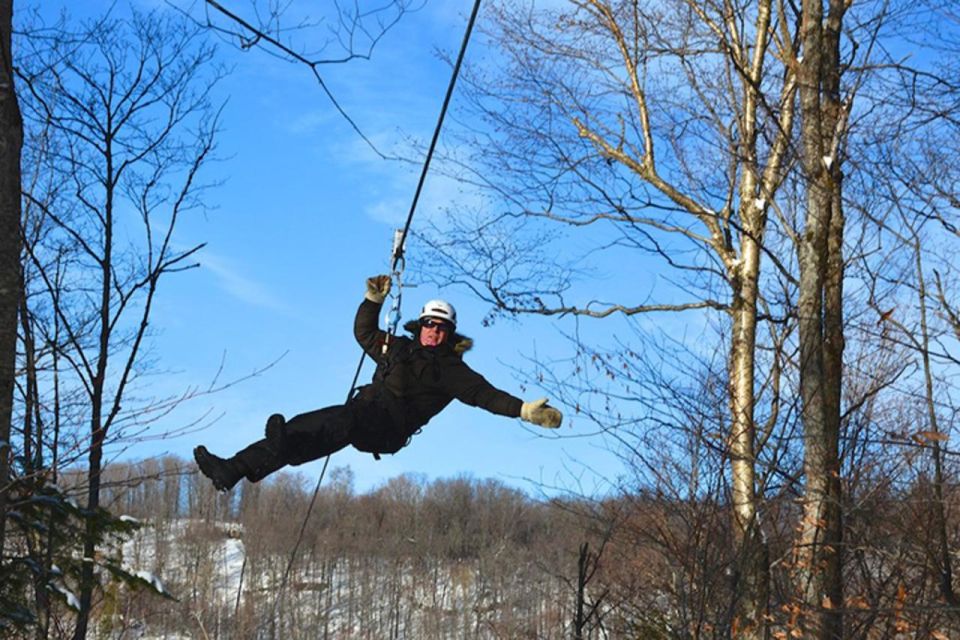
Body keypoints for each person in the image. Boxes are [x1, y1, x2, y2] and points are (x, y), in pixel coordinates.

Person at [193, 275, 563, 491]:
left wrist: (523, 410)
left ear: (449, 334)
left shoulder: (451, 371)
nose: (433, 332)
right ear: (420, 328)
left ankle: (282, 446)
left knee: (339, 423)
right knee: (319, 426)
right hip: (362, 412)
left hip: (389, 429)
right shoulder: (397, 348)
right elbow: (363, 331)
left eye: (441, 328)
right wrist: (372, 300)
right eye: (429, 326)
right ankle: (236, 469)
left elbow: (485, 395)